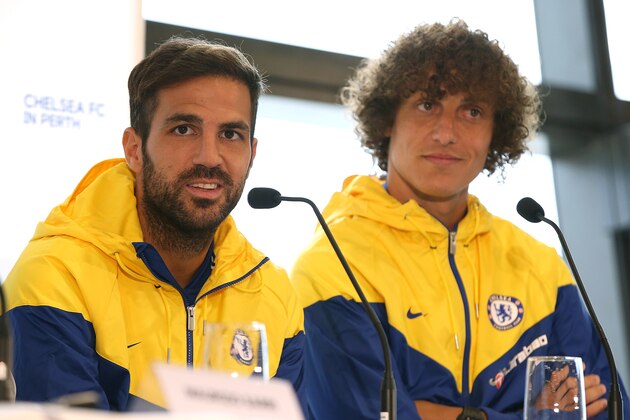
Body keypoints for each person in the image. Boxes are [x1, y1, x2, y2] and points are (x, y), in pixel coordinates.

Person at [291, 20, 629, 419]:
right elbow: (364, 414)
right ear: (386, 119)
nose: (447, 133)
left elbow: (609, 408)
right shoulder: (333, 262)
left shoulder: (539, 264)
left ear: (495, 131)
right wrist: (528, 414)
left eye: (472, 111)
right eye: (427, 104)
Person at [3, 36, 305, 412]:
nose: (209, 157)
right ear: (134, 149)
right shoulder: (54, 274)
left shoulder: (274, 294)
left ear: (252, 153)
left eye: (230, 134)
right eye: (183, 129)